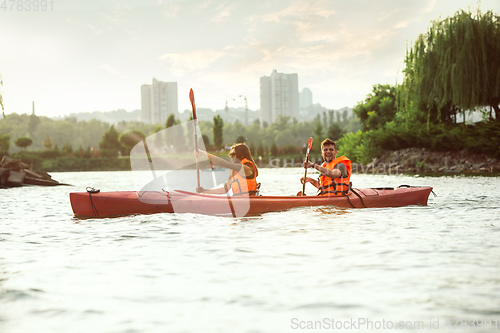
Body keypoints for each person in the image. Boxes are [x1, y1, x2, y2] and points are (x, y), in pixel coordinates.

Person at [194, 143, 259, 196]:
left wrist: (203, 153)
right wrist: (205, 191)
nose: (231, 156)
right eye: (230, 154)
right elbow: (224, 190)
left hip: (249, 201)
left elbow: (222, 163)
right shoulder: (235, 172)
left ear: (241, 155)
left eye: (233, 154)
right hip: (239, 202)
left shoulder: (245, 168)